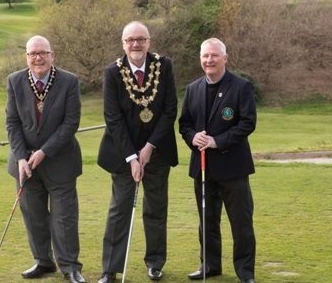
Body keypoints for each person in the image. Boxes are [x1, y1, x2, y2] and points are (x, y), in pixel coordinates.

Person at [97, 21, 178, 283]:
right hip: (123, 154)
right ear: (123, 43)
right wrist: (132, 156)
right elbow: (112, 117)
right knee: (120, 210)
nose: (136, 44)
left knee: (156, 209)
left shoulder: (164, 66)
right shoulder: (112, 72)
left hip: (158, 151)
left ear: (148, 41)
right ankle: (110, 268)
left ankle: (155, 263)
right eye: (130, 39)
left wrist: (149, 147)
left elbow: (169, 110)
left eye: (140, 39)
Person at [5, 35, 85, 283]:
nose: (38, 58)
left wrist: (44, 151)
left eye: (43, 53)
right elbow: (12, 122)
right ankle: (43, 261)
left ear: (52, 55)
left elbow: (70, 123)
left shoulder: (69, 81)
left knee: (64, 218)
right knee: (34, 216)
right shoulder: (15, 81)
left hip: (60, 161)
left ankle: (70, 266)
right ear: (26, 57)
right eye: (32, 54)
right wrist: (20, 157)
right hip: (25, 165)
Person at [178, 38, 257, 283]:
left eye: (214, 55)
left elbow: (247, 123)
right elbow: (184, 125)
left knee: (241, 222)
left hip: (232, 167)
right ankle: (210, 266)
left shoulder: (241, 87)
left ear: (224, 58)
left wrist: (217, 141)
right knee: (207, 220)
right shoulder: (193, 88)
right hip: (203, 168)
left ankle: (245, 272)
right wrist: (195, 137)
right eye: (205, 56)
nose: (209, 60)